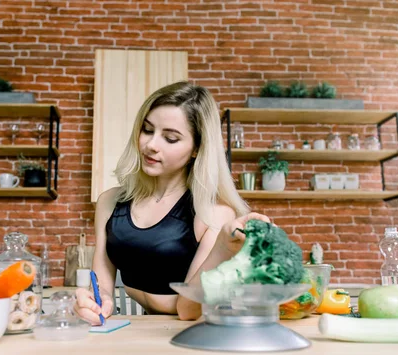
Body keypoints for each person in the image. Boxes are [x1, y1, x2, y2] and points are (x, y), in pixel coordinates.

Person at [74, 81, 270, 324]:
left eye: (170, 138)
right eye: (147, 130)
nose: (151, 145)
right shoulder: (110, 201)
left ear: (197, 148)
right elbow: (101, 282)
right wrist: (96, 301)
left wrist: (223, 248)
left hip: (196, 331)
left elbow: (187, 310)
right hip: (146, 330)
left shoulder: (214, 214)